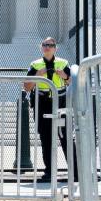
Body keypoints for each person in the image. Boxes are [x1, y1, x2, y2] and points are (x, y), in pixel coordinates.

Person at [24, 37, 77, 184]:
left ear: (55, 48)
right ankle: (49, 172)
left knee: (66, 137)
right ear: (41, 47)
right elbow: (26, 87)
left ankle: (76, 172)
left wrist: (65, 76)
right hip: (43, 103)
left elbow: (73, 81)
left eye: (50, 45)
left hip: (60, 102)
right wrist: (37, 76)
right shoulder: (35, 65)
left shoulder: (63, 62)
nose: (47, 47)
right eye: (45, 45)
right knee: (46, 138)